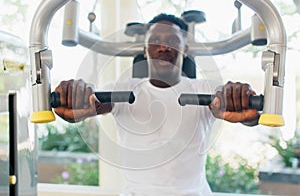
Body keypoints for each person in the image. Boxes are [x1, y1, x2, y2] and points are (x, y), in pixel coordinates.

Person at [54, 13, 260, 196]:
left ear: (185, 49)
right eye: (155, 40)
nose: (164, 47)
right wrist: (75, 101)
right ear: (144, 50)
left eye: (172, 40)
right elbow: (92, 104)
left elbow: (241, 111)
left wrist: (248, 112)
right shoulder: (121, 89)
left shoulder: (205, 89)